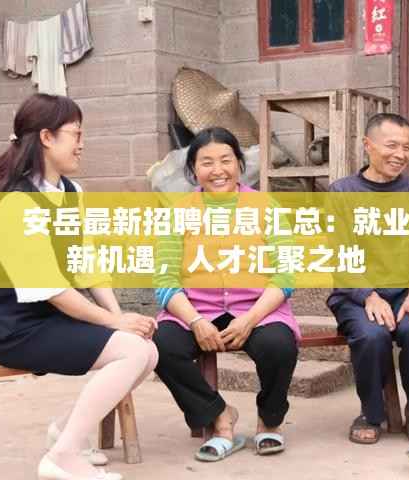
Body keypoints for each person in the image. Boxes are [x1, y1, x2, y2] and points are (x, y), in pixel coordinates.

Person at [0, 93, 158, 480]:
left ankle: (65, 432)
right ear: (47, 137)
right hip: (17, 328)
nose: (81, 143)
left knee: (146, 350)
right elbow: (52, 290)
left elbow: (87, 265)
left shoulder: (72, 192)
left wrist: (120, 317)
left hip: (55, 319)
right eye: (75, 133)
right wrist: (115, 324)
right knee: (130, 350)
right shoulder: (16, 204)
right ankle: (62, 457)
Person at [152, 127, 299, 461]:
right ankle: (220, 417)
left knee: (278, 344)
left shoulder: (265, 206)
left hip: (257, 308)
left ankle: (269, 421)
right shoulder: (178, 213)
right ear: (193, 169)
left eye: (225, 160)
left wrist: (250, 319)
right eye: (206, 162)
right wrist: (195, 321)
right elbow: (165, 279)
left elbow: (285, 274)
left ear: (239, 164)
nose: (217, 170)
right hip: (195, 308)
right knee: (162, 345)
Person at [327, 113, 409, 446]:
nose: (400, 154)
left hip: (407, 292)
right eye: (392, 145)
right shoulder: (341, 192)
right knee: (371, 335)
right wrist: (368, 295)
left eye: (407, 147)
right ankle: (371, 413)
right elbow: (340, 253)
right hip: (357, 294)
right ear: (368, 145)